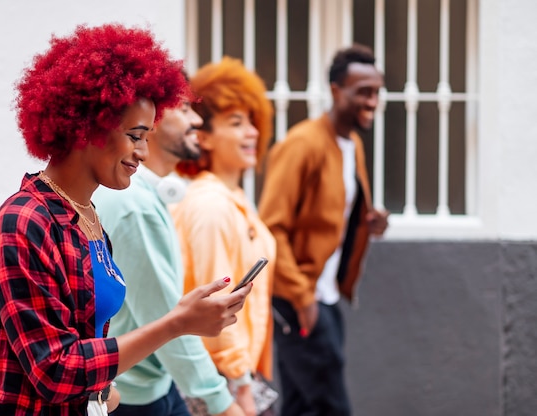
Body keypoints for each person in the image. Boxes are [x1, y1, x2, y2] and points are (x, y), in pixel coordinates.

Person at [0, 24, 252, 416]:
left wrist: (100, 394)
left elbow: (85, 339)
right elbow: (55, 371)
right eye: (136, 135)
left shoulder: (87, 219)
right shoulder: (23, 224)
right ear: (90, 126)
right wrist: (177, 323)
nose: (143, 151)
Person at [92, 81, 244, 416]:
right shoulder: (135, 205)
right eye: (187, 108)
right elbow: (168, 320)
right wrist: (224, 406)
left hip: (146, 388)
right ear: (153, 120)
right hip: (133, 399)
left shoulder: (146, 196)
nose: (198, 121)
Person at [257, 44, 390, 416]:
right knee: (332, 405)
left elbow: (334, 213)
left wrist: (370, 222)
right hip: (299, 297)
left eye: (377, 91)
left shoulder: (352, 145)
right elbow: (271, 226)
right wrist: (302, 298)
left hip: (326, 296)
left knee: (302, 405)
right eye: (363, 92)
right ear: (336, 91)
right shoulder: (302, 144)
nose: (373, 101)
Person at [171, 56, 277, 416]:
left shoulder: (233, 198)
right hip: (222, 380)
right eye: (236, 122)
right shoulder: (210, 205)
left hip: (237, 372)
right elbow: (217, 295)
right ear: (204, 137)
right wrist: (242, 386)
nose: (252, 132)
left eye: (252, 120)